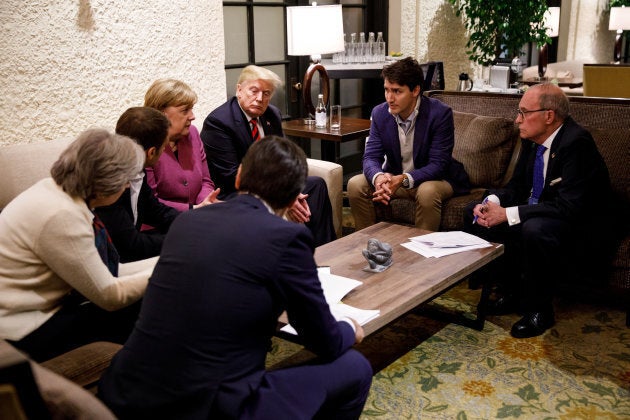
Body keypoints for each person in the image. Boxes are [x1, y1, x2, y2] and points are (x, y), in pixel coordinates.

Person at [99, 136, 372, 419]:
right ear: (294, 199)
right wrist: (350, 328)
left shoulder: (187, 222)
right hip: (207, 405)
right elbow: (321, 339)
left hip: (125, 390)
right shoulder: (288, 237)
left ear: (239, 178)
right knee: (355, 366)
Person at [464, 83, 614, 338]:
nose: (517, 120)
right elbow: (516, 187)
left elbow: (569, 206)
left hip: (580, 222)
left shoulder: (576, 143)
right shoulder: (533, 141)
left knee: (534, 229)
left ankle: (539, 310)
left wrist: (509, 214)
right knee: (474, 210)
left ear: (549, 116)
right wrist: (491, 202)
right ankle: (510, 294)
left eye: (523, 112)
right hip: (546, 210)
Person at [0, 129, 158, 362]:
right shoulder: (62, 215)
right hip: (23, 328)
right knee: (143, 307)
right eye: (125, 180)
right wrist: (167, 269)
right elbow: (110, 295)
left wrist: (170, 259)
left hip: (43, 309)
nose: (126, 187)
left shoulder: (57, 191)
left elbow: (111, 270)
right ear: (105, 182)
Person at [200, 65, 336, 246]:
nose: (259, 99)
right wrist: (283, 195)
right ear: (239, 90)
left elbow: (284, 159)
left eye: (266, 93)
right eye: (254, 91)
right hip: (236, 192)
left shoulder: (271, 114)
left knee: (316, 185)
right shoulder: (219, 122)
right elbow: (230, 175)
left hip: (270, 184)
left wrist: (292, 192)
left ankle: (324, 250)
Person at [347, 57, 469, 231]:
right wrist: (379, 178)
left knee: (427, 192)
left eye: (397, 91)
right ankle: (370, 246)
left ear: (415, 90)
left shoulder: (440, 114)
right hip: (397, 177)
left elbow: (438, 164)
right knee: (355, 184)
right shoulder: (380, 113)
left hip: (437, 179)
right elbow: (371, 157)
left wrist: (403, 179)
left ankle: (421, 254)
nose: (390, 98)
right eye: (387, 90)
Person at [95, 107, 187, 263]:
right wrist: (184, 239)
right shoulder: (110, 183)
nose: (165, 150)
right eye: (163, 147)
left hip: (131, 246)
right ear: (151, 153)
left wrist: (195, 221)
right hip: (114, 260)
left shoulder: (136, 168)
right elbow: (130, 246)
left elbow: (156, 212)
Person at [144, 78, 218, 211]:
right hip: (159, 226)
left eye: (191, 109)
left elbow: (206, 181)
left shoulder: (193, 133)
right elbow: (150, 201)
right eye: (185, 111)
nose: (192, 116)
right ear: (162, 114)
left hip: (197, 215)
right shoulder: (145, 144)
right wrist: (193, 209)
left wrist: (205, 202)